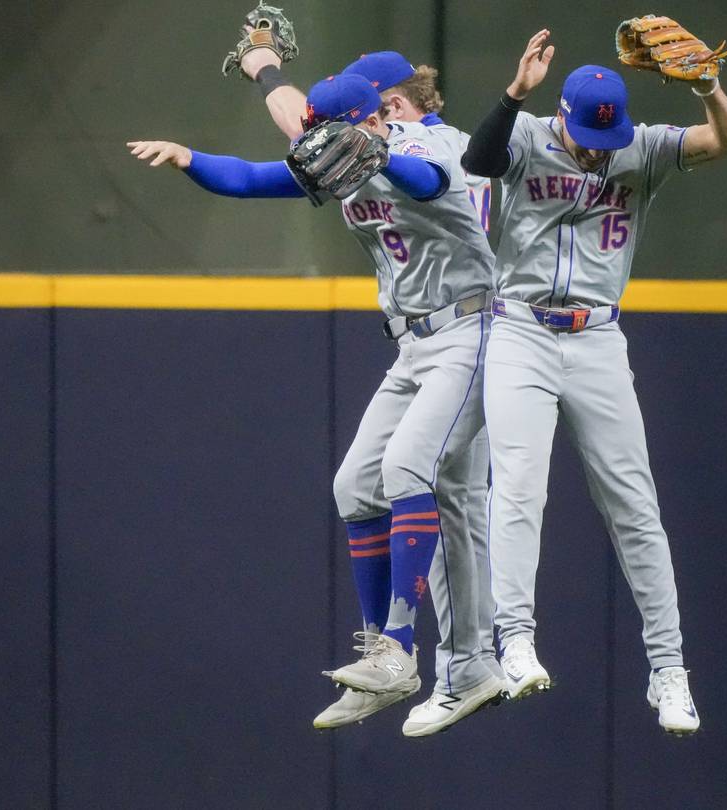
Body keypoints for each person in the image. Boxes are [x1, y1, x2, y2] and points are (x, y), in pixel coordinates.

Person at [128, 70, 503, 737]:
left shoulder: (433, 146)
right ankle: (381, 659)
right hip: (414, 344)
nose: (321, 145)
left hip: (472, 330)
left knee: (409, 470)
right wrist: (190, 159)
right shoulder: (344, 153)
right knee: (356, 486)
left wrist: (379, 152)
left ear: (379, 114)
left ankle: (402, 647)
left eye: (334, 132)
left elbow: (427, 183)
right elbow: (247, 178)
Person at [460, 29, 727, 735]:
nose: (598, 148)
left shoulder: (639, 145)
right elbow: (479, 158)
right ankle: (516, 642)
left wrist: (709, 88)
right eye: (589, 135)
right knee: (520, 487)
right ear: (563, 114)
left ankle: (671, 671)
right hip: (522, 329)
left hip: (596, 337)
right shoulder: (527, 133)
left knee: (635, 507)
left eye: (606, 136)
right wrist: (513, 92)